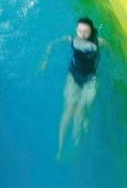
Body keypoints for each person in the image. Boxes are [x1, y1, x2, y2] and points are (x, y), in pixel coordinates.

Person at [37, 17, 106, 161]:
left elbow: (111, 51)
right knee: (69, 109)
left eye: (85, 32)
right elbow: (52, 44)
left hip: (90, 80)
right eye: (79, 31)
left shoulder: (99, 42)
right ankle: (60, 148)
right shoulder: (71, 39)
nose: (81, 34)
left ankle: (75, 147)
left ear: (92, 31)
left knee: (81, 110)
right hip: (73, 77)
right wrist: (45, 60)